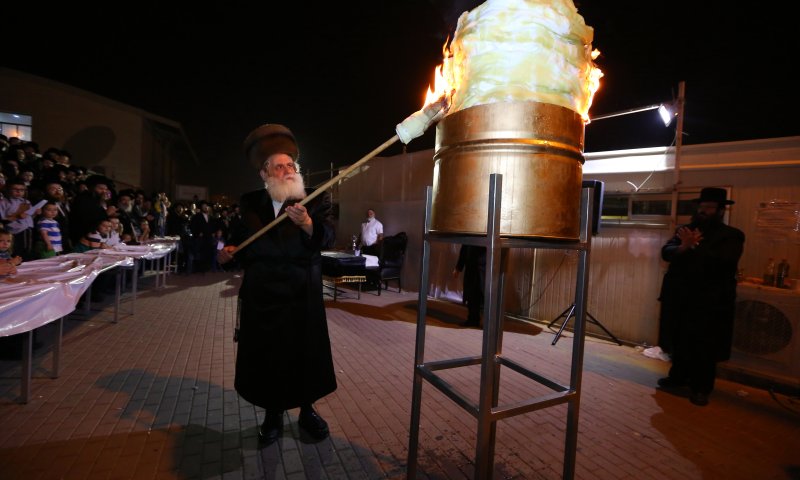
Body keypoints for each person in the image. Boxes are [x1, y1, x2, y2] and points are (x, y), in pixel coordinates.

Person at [217, 123, 337, 446]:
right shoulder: (250, 203)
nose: (287, 171)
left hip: (302, 294)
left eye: (290, 165)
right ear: (264, 173)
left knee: (304, 355)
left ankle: (307, 410)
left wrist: (307, 223)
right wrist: (227, 254)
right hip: (263, 296)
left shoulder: (315, 198)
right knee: (268, 357)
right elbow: (239, 245)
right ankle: (273, 413)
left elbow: (328, 236)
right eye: (279, 166)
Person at [656, 187, 745, 407]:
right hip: (681, 299)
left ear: (721, 210)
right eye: (702, 207)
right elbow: (667, 252)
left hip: (709, 302)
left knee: (704, 346)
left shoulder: (732, 235)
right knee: (679, 340)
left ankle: (701, 388)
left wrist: (692, 246)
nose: (704, 211)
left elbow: (724, 261)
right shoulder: (685, 230)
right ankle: (678, 377)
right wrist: (683, 247)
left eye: (709, 207)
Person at [452, 245, 486, 327]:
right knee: (471, 293)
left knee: (483, 293)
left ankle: (487, 322)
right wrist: (458, 267)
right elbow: (465, 246)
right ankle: (473, 319)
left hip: (484, 265)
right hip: (471, 264)